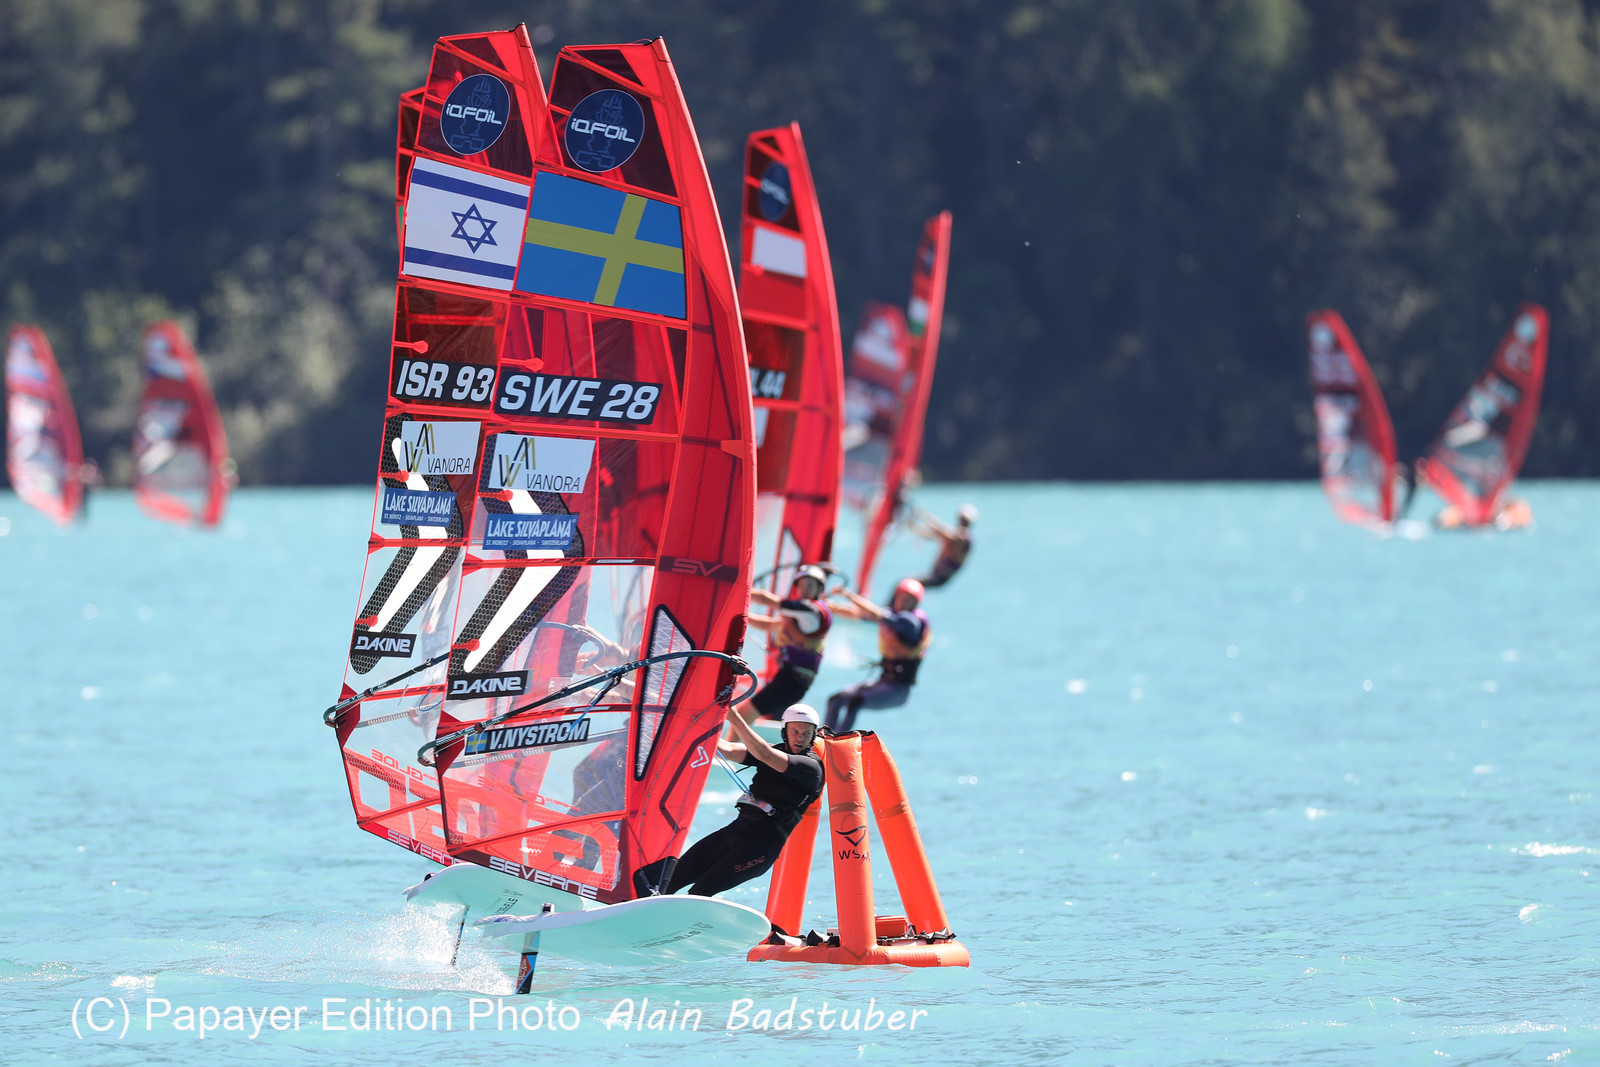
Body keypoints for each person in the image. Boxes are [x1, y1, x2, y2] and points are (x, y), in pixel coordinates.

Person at [664, 704, 824, 898]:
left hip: (759, 848)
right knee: (670, 878)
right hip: (735, 832)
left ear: (813, 735)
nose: (800, 738)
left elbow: (765, 754)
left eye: (806, 733)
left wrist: (734, 716)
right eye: (795, 731)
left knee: (700, 891)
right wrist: (688, 723)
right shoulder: (773, 751)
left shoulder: (811, 768)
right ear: (785, 731)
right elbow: (728, 749)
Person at [823, 578, 931, 733]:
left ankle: (837, 740)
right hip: (882, 683)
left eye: (910, 600)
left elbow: (877, 614)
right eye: (902, 597)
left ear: (916, 603)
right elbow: (858, 614)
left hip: (897, 691)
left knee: (855, 702)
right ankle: (824, 737)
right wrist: (829, 606)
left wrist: (849, 595)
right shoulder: (892, 615)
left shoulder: (911, 622)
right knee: (835, 700)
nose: (904, 602)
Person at [737, 564, 832, 723]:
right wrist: (741, 615)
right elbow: (771, 625)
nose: (805, 589)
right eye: (801, 585)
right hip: (789, 678)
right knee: (756, 718)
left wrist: (739, 591)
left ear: (820, 589)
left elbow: (770, 600)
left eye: (810, 585)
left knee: (742, 715)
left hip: (792, 681)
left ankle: (732, 742)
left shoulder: (812, 612)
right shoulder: (799, 616)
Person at [910, 504, 975, 588]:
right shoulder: (954, 533)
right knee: (909, 582)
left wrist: (921, 514)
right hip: (934, 574)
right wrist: (914, 526)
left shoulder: (964, 538)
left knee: (908, 583)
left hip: (939, 577)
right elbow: (931, 535)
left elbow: (941, 530)